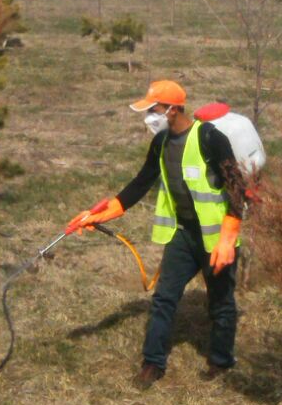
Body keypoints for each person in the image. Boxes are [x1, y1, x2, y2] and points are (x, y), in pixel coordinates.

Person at [66, 79, 248, 386]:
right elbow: (140, 184)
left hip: (216, 236)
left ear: (174, 110)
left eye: (154, 109)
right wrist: (97, 214)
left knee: (220, 301)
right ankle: (153, 363)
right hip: (182, 234)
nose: (149, 116)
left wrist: (229, 236)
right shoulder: (161, 143)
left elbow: (237, 187)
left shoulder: (209, 138)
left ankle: (221, 361)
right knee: (164, 297)